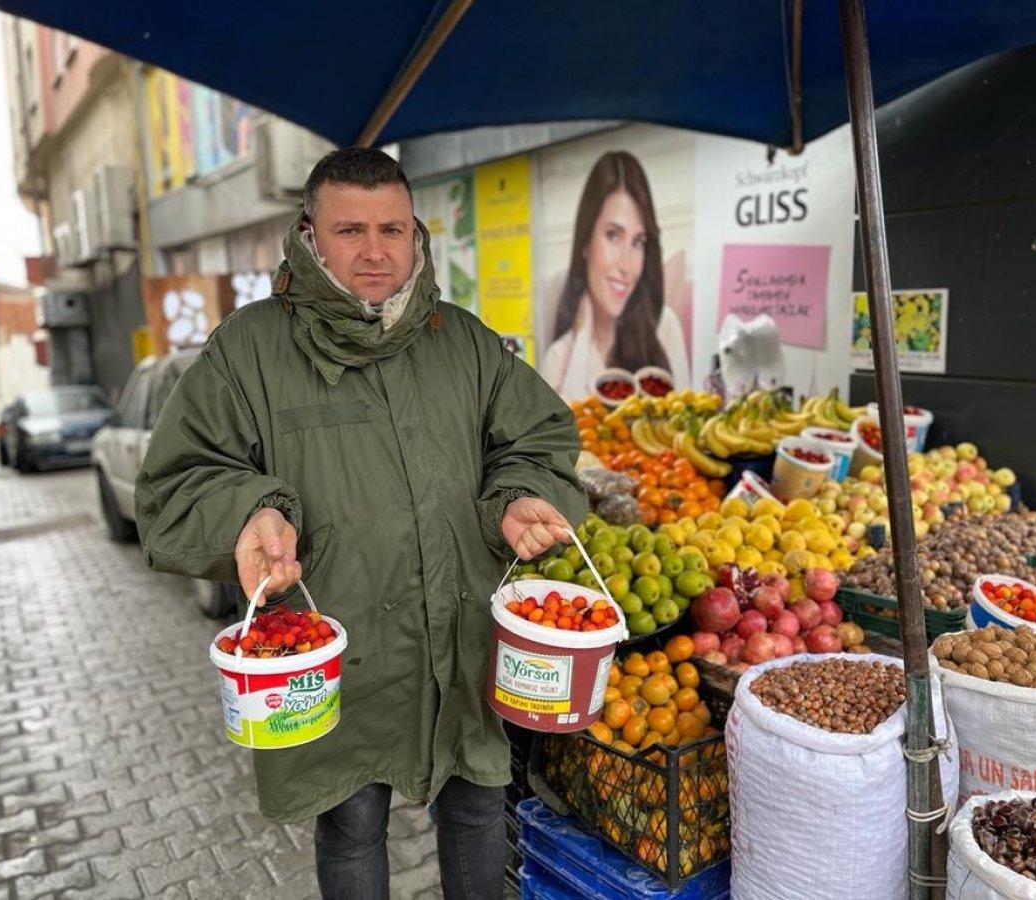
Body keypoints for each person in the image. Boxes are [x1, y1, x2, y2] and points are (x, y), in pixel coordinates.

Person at [134, 147, 586, 900]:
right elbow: (178, 482)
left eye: (393, 229)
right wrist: (247, 512)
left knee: (478, 805)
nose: (376, 251)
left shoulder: (464, 341)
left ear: (417, 235)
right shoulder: (248, 349)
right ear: (310, 234)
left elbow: (538, 440)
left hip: (458, 634)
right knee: (350, 823)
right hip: (336, 649)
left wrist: (516, 495)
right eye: (350, 231)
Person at [542, 150, 690, 397]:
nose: (626, 266)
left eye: (638, 243)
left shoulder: (664, 327)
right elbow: (560, 431)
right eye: (613, 235)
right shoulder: (559, 356)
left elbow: (685, 423)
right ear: (586, 242)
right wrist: (582, 340)